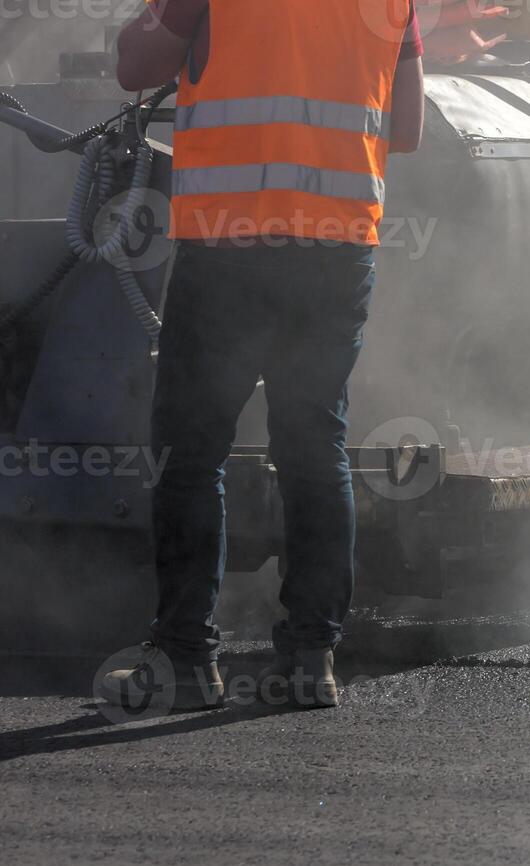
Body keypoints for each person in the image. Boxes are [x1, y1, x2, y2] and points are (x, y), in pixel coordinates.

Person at [99, 0, 425, 712]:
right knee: (315, 448)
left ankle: (186, 661)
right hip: (338, 250)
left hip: (230, 246)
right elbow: (406, 129)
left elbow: (133, 68)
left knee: (191, 453)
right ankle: (310, 659)